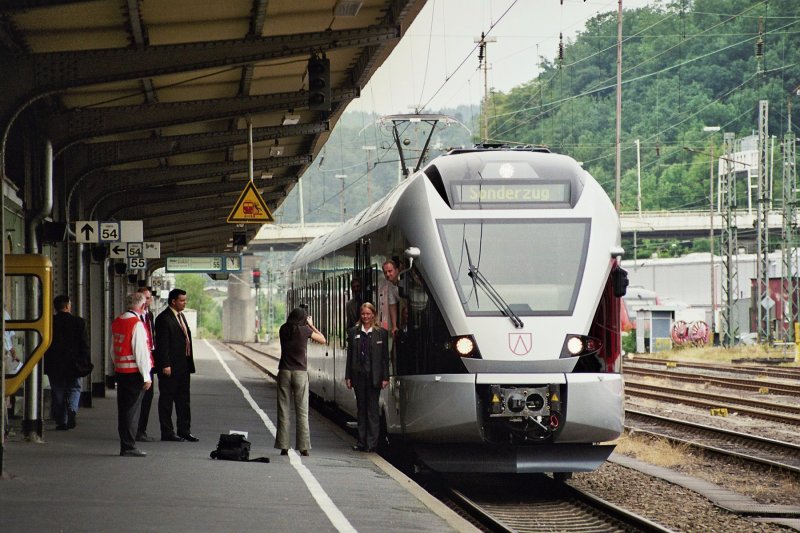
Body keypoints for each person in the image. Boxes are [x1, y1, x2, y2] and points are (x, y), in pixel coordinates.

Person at [274, 307, 326, 457]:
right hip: (300, 373)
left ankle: (284, 446)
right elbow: (323, 339)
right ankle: (303, 447)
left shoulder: (283, 329)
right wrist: (311, 325)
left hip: (284, 371)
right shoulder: (305, 330)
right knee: (302, 411)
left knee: (283, 410)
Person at [111, 292, 152, 457]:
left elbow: (113, 350)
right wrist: (146, 376)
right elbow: (141, 352)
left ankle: (125, 444)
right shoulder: (137, 324)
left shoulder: (117, 321)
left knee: (123, 410)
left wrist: (117, 366)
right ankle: (128, 446)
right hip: (134, 373)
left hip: (121, 371)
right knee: (132, 411)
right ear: (142, 306)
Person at [154, 288, 197, 442]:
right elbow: (162, 344)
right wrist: (165, 364)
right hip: (170, 367)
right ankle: (167, 431)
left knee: (184, 399)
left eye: (185, 300)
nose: (185, 303)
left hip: (183, 366)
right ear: (173, 301)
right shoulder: (163, 319)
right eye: (182, 300)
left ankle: (184, 430)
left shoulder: (181, 316)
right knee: (167, 399)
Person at [345, 302, 389, 452]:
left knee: (373, 410)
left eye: (368, 314)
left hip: (374, 377)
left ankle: (372, 444)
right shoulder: (353, 332)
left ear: (373, 315)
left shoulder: (381, 333)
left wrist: (385, 377)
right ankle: (361, 442)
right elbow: (350, 356)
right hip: (358, 376)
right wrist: (348, 376)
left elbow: (384, 358)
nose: (365, 317)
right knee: (361, 409)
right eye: (363, 314)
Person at [43, 295, 91, 431]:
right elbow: (84, 344)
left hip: (54, 363)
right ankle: (72, 409)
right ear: (68, 306)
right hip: (73, 363)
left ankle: (61, 422)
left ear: (55, 307)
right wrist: (85, 361)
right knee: (75, 387)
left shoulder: (49, 322)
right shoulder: (79, 322)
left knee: (57, 390)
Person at [135, 287, 157, 442]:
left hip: (149, 362)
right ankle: (133, 430)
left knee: (148, 398)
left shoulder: (149, 316)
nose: (146, 301)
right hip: (137, 364)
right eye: (144, 298)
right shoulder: (133, 318)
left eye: (148, 298)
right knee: (136, 399)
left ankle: (142, 430)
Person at [378, 260, 400, 338]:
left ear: (397, 270)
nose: (387, 274)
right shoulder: (389, 285)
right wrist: (394, 326)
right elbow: (392, 305)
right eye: (385, 272)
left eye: (390, 271)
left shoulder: (404, 280)